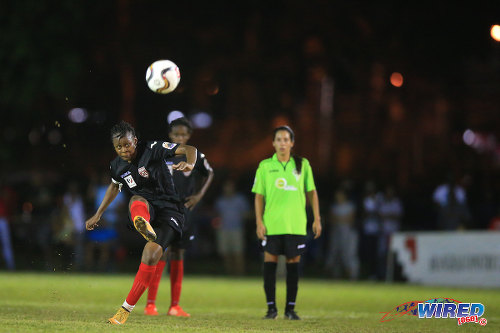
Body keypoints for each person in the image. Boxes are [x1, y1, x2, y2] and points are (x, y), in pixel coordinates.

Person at [85, 120, 197, 325]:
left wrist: (189, 163)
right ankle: (142, 222)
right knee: (136, 199)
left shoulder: (152, 149)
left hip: (171, 210)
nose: (123, 150)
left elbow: (190, 148)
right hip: (146, 207)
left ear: (135, 141)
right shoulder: (116, 166)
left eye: (127, 144)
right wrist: (98, 214)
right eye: (118, 147)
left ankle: (126, 309)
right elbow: (114, 187)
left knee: (151, 254)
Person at [144, 116, 214, 317]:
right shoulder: (163, 155)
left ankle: (175, 305)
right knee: (160, 252)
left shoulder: (196, 156)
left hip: (186, 213)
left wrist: (199, 195)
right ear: (170, 135)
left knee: (178, 253)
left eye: (184, 134)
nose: (180, 138)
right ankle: (151, 304)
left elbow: (210, 173)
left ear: (189, 135)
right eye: (176, 134)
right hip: (165, 210)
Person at [252, 125, 322, 320]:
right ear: (273, 143)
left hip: (296, 225)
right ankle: (271, 309)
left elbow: (312, 192)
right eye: (279, 139)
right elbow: (258, 196)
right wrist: (259, 222)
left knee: (293, 267)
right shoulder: (265, 166)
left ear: (292, 143)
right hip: (272, 225)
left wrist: (317, 218)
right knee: (269, 267)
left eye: (286, 139)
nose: (282, 143)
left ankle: (290, 310)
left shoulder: (302, 164)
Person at [214, 179, 250, 275]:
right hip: (223, 230)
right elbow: (216, 215)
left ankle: (240, 274)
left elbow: (247, 213)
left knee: (238, 253)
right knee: (226, 254)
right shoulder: (220, 201)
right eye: (226, 187)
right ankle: (230, 274)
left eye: (230, 187)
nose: (228, 189)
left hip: (237, 229)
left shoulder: (240, 199)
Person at [324, 188, 359, 280]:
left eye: (340, 195)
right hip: (336, 233)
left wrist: (339, 219)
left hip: (349, 234)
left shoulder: (350, 206)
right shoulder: (334, 207)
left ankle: (353, 275)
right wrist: (343, 219)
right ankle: (336, 275)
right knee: (335, 253)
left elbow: (351, 219)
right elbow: (331, 219)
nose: (338, 197)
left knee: (349, 254)